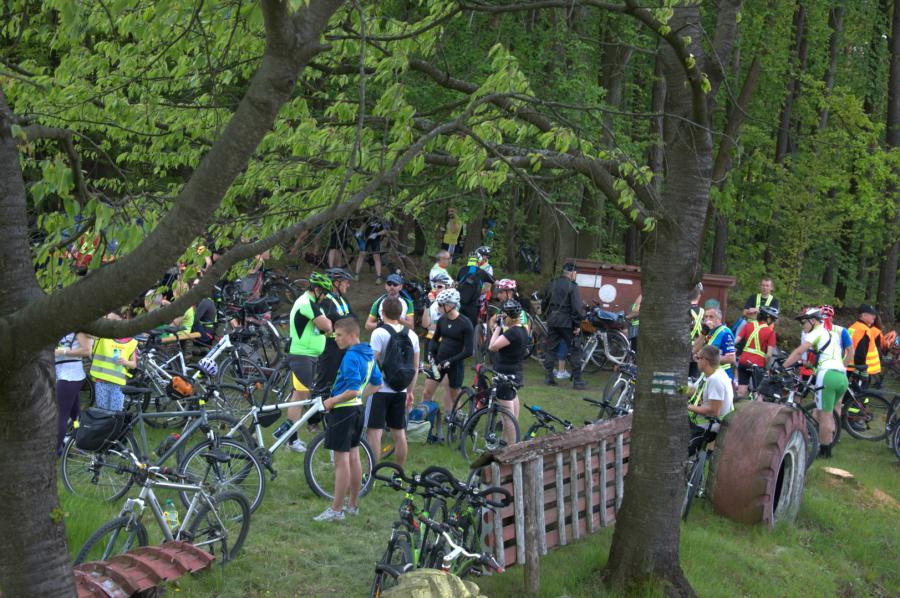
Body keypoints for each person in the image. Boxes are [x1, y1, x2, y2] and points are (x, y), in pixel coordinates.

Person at [314, 317, 383, 522]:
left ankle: (336, 510)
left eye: (340, 335)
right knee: (354, 457)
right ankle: (352, 505)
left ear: (352, 335)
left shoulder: (351, 356)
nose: (336, 339)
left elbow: (352, 389)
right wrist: (361, 396)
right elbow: (377, 383)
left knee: (341, 460)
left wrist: (332, 401)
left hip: (343, 411)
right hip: (357, 410)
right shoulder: (368, 354)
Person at [783, 308, 849, 457]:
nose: (802, 326)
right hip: (842, 376)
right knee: (829, 413)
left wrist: (783, 366)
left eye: (803, 322)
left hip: (827, 375)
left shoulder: (816, 332)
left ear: (813, 321)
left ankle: (825, 452)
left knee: (825, 415)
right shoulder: (831, 334)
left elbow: (799, 351)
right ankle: (827, 447)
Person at [283, 272, 333, 453]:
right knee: (299, 397)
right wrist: (326, 326)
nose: (325, 296)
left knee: (300, 397)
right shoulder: (306, 303)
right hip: (301, 355)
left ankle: (290, 437)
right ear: (317, 289)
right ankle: (291, 440)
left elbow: (326, 325)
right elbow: (327, 326)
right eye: (324, 292)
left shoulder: (312, 303)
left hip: (308, 356)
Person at [368, 297, 419, 467]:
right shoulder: (412, 335)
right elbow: (415, 367)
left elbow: (371, 362)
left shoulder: (379, 333)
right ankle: (399, 473)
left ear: (382, 312)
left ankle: (371, 473)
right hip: (400, 389)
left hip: (380, 390)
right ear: (401, 314)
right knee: (399, 433)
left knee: (375, 433)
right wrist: (409, 391)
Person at [429, 288, 474, 433]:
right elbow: (435, 339)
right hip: (438, 363)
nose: (438, 307)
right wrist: (431, 353)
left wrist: (450, 361)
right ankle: (426, 425)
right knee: (427, 392)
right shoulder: (442, 319)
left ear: (450, 305)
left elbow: (469, 351)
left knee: (455, 396)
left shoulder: (465, 323)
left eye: (440, 304)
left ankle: (460, 422)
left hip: (455, 364)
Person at [489, 300, 529, 446]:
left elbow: (492, 346)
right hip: (516, 372)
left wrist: (498, 328)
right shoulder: (523, 330)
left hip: (504, 374)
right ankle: (505, 442)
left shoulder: (512, 332)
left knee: (507, 416)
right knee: (513, 413)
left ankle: (512, 447)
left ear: (507, 316)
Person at [311, 268, 354, 401]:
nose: (348, 285)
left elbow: (354, 317)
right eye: (345, 282)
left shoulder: (342, 299)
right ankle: (315, 410)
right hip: (330, 347)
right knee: (325, 380)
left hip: (343, 346)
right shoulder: (326, 301)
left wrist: (348, 321)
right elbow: (337, 319)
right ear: (336, 283)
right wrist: (348, 322)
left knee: (340, 379)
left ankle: (332, 406)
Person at [541, 262, 586, 389]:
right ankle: (577, 381)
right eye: (576, 273)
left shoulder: (552, 283)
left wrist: (546, 316)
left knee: (550, 350)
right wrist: (577, 324)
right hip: (567, 323)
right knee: (575, 350)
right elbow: (577, 308)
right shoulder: (573, 286)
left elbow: (544, 302)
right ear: (572, 273)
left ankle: (549, 378)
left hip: (553, 320)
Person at [687, 345, 735, 455]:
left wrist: (687, 406)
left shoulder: (716, 380)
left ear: (705, 361)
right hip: (696, 421)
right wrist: (678, 390)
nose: (696, 361)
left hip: (706, 426)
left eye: (698, 358)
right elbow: (693, 390)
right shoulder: (708, 373)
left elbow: (714, 411)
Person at [89, 312, 139, 412]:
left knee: (115, 413)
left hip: (118, 384)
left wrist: (125, 362)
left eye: (115, 321)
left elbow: (133, 365)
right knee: (102, 413)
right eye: (109, 321)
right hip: (101, 381)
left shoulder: (131, 342)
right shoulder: (101, 336)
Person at [420, 272, 453, 416]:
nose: (436, 289)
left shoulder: (453, 303)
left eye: (440, 287)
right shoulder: (433, 303)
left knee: (447, 383)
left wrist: (433, 326)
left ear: (448, 287)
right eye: (435, 286)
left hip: (446, 345)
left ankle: (449, 414)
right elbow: (425, 324)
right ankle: (426, 415)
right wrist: (427, 307)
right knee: (429, 386)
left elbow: (441, 326)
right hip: (432, 344)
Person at [54, 332, 93, 453]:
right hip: (61, 372)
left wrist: (63, 352)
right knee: (75, 413)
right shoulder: (61, 327)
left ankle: (56, 449)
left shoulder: (78, 328)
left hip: (70, 375)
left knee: (60, 414)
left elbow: (87, 350)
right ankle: (79, 439)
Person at [735, 306, 779, 399]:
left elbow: (736, 341)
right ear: (768, 318)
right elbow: (769, 355)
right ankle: (757, 407)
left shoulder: (747, 325)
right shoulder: (770, 332)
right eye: (772, 319)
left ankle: (737, 406)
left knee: (741, 390)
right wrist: (765, 366)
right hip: (758, 363)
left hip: (743, 361)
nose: (772, 322)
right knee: (759, 393)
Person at [695, 306, 736, 382]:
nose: (708, 319)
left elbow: (731, 358)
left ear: (719, 319)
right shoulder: (708, 332)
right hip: (709, 374)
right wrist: (703, 333)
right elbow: (695, 350)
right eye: (706, 317)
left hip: (722, 375)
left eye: (711, 317)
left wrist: (708, 360)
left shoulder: (725, 333)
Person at [455, 253, 494, 329]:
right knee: (471, 327)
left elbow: (456, 284)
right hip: (473, 305)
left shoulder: (461, 269)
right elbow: (493, 281)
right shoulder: (482, 272)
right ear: (479, 261)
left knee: (457, 325)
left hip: (460, 303)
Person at [847, 304, 884, 382]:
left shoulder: (853, 327)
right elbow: (861, 352)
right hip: (859, 369)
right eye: (872, 314)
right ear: (864, 315)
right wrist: (861, 370)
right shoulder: (864, 330)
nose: (874, 316)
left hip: (850, 367)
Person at [354, 216, 389, 283]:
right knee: (361, 255)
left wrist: (377, 234)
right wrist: (359, 232)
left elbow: (386, 230)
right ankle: (356, 275)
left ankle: (379, 278)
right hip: (366, 238)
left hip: (375, 239)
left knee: (376, 257)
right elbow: (364, 225)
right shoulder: (369, 216)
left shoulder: (384, 217)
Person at [190, 278, 217, 347]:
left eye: (195, 285)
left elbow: (194, 320)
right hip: (203, 331)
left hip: (206, 336)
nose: (192, 287)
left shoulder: (205, 301)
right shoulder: (199, 300)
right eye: (193, 285)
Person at [688, 283, 704, 378]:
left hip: (684, 347)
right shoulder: (704, 312)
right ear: (699, 296)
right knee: (694, 379)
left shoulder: (683, 311)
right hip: (698, 349)